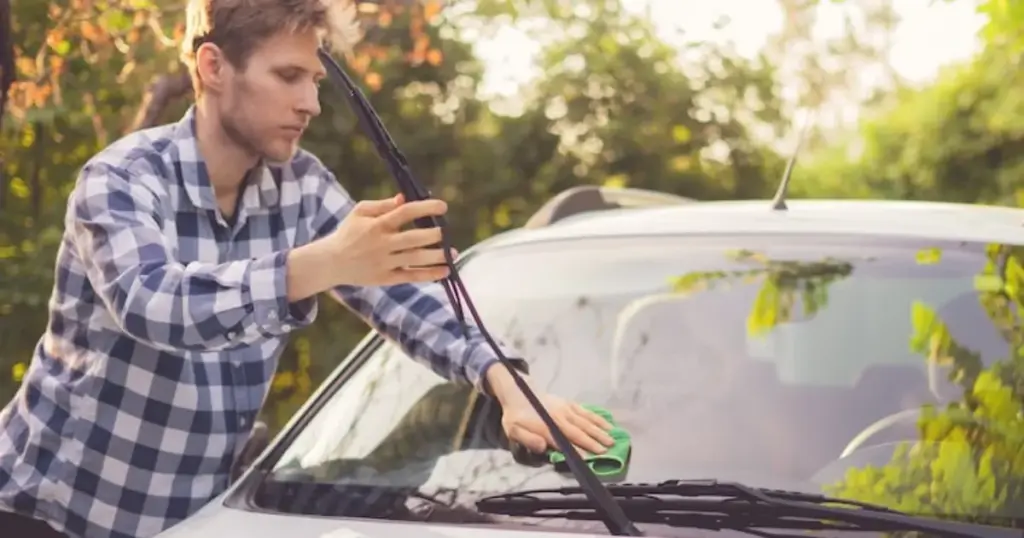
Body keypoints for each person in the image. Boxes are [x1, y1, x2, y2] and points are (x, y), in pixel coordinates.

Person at [0, 0, 615, 537]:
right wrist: (323, 262)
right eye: (288, 76)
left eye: (316, 79)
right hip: (47, 513)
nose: (311, 103)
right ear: (213, 67)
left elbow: (408, 303)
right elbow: (154, 305)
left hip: (190, 523)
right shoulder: (122, 178)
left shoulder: (301, 186)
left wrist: (506, 382)